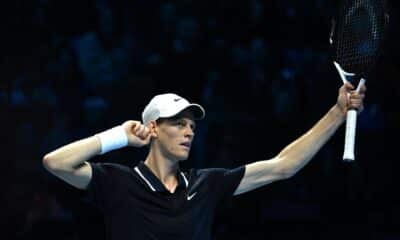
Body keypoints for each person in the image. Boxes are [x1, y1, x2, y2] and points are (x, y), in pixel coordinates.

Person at [43, 82, 366, 240]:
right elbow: (56, 162)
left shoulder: (207, 184)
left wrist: (338, 113)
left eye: (192, 126)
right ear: (153, 128)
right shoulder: (117, 182)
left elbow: (284, 165)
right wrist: (118, 137)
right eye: (178, 124)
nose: (188, 132)